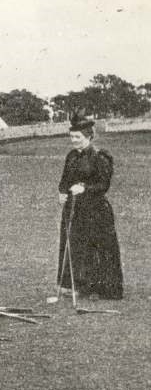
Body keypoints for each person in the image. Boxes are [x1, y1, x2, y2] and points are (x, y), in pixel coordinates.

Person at [57, 119, 123, 300]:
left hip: (95, 210)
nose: (74, 140)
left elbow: (103, 185)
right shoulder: (71, 156)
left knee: (95, 247)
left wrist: (85, 188)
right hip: (73, 208)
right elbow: (64, 181)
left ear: (89, 137)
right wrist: (62, 192)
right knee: (74, 245)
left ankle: (99, 289)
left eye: (78, 137)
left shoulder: (101, 157)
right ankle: (75, 285)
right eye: (71, 136)